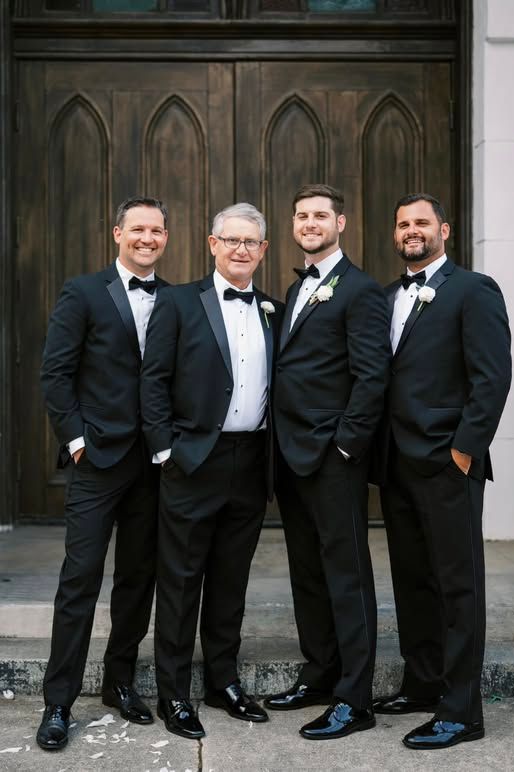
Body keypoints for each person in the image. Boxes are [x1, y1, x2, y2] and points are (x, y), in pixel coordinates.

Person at [140, 202, 283, 740]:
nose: (241, 249)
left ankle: (223, 681)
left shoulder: (274, 308)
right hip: (191, 460)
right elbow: (152, 379)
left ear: (264, 251)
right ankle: (174, 695)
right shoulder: (178, 302)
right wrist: (165, 452)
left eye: (251, 242)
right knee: (179, 582)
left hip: (251, 462)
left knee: (231, 581)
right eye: (232, 240)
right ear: (212, 244)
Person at [374, 193, 512, 750]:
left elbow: (492, 378)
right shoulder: (386, 297)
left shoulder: (474, 290)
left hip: (447, 462)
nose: (412, 230)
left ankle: (461, 711)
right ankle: (423, 682)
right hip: (397, 464)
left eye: (421, 223)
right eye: (403, 223)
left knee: (458, 586)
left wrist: (464, 450)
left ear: (444, 230)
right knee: (412, 580)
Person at [37, 196, 169, 751]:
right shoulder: (83, 292)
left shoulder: (178, 298)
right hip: (96, 462)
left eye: (156, 230)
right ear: (117, 232)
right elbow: (56, 373)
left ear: (166, 237)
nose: (147, 237)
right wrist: (76, 443)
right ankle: (58, 702)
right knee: (80, 581)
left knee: (138, 581)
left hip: (153, 465)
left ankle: (120, 681)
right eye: (137, 228)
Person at [264, 184, 391, 740]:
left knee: (346, 576)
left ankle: (354, 698)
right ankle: (319, 674)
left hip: (332, 457)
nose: (310, 223)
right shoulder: (297, 290)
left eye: (320, 215)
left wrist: (345, 446)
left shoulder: (359, 289)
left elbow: (372, 375)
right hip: (291, 455)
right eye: (301, 215)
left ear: (341, 222)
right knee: (307, 573)